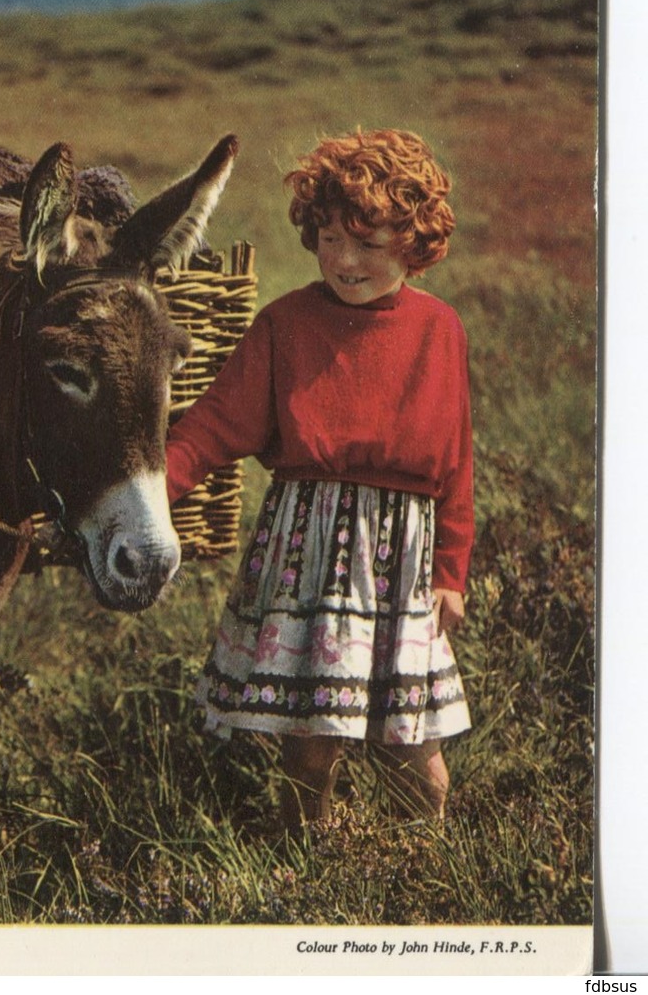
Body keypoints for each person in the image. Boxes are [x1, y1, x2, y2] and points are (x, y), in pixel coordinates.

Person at [166, 128, 472, 833]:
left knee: (413, 752)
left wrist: (451, 570)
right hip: (308, 556)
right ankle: (305, 859)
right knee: (310, 747)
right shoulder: (284, 324)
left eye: (368, 244)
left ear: (414, 243)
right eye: (330, 237)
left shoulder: (439, 330)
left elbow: (456, 463)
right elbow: (212, 426)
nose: (343, 259)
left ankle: (416, 867)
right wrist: (150, 494)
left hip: (401, 566)